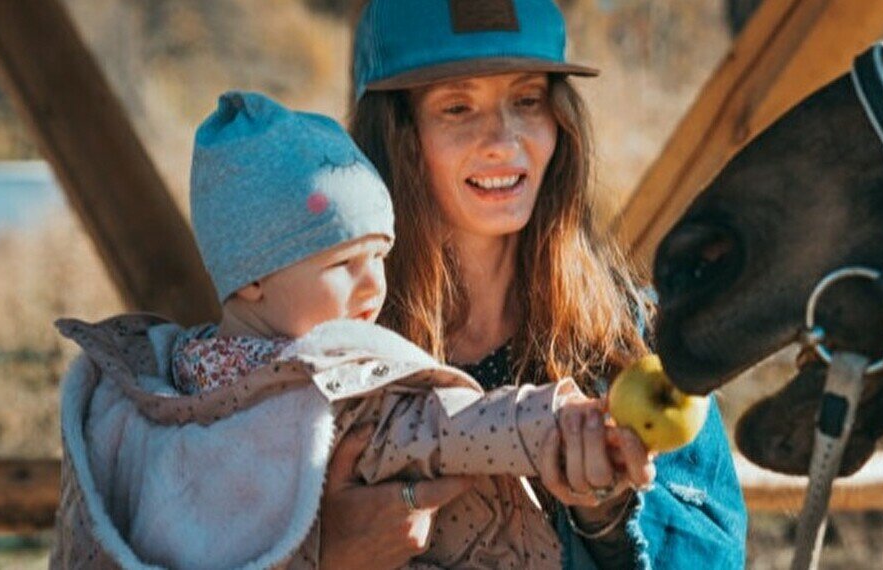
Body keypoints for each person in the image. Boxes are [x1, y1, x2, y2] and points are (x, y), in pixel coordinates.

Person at [49, 91, 647, 568]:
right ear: (252, 275)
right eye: (344, 265)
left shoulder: (138, 396)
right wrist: (558, 425)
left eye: (381, 258)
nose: (373, 288)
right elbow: (448, 425)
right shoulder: (341, 383)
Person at [319, 0, 749, 568]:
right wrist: (325, 548)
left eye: (527, 100)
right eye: (457, 107)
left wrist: (610, 520)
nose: (503, 139)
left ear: (560, 122)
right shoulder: (337, 347)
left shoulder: (634, 340)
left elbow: (718, 556)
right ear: (397, 133)